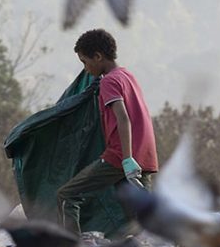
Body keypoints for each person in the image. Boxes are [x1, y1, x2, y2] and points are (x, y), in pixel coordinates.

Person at [57, 29, 158, 234]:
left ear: (98, 56)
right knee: (140, 218)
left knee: (67, 195)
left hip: (121, 156)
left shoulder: (109, 81)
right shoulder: (127, 75)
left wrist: (127, 160)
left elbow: (123, 118)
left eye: (85, 62)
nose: (85, 69)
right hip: (145, 155)